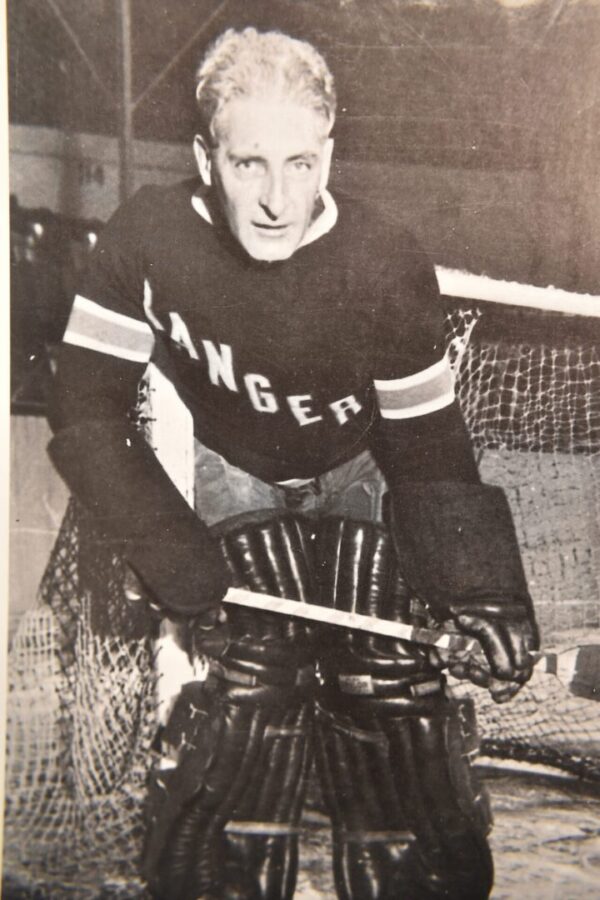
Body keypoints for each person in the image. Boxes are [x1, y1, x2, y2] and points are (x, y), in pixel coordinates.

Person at [48, 26, 539, 900]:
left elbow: (426, 443)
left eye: (302, 164)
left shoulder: (382, 258)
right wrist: (170, 551)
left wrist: (482, 589)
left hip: (357, 464)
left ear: (330, 154)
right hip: (228, 460)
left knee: (386, 680)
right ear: (205, 157)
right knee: (254, 678)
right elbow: (83, 409)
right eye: (249, 166)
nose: (279, 198)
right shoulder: (146, 238)